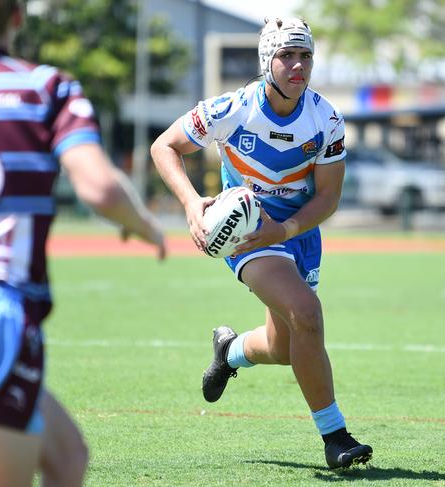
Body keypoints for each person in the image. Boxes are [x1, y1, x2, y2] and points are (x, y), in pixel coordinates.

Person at [151, 17, 372, 469]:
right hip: (248, 232)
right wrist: (193, 205)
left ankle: (229, 351)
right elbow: (163, 147)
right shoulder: (231, 109)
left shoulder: (326, 119)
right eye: (286, 55)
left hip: (298, 233)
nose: (297, 65)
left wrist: (287, 231)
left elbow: (329, 197)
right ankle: (336, 437)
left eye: (305, 55)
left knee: (289, 345)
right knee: (307, 314)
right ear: (266, 61)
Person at [0, 1, 166, 485]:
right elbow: (99, 188)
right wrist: (143, 222)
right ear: (19, 18)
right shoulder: (45, 87)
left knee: (67, 457)